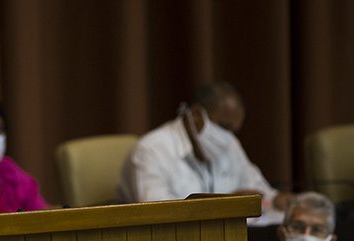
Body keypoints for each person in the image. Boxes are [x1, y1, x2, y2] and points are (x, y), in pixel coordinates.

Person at [117, 81, 293, 221]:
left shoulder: (230, 143)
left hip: (228, 239)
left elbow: (256, 187)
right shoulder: (152, 150)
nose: (228, 136)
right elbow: (158, 214)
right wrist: (224, 204)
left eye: (233, 130)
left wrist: (276, 199)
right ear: (195, 115)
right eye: (224, 127)